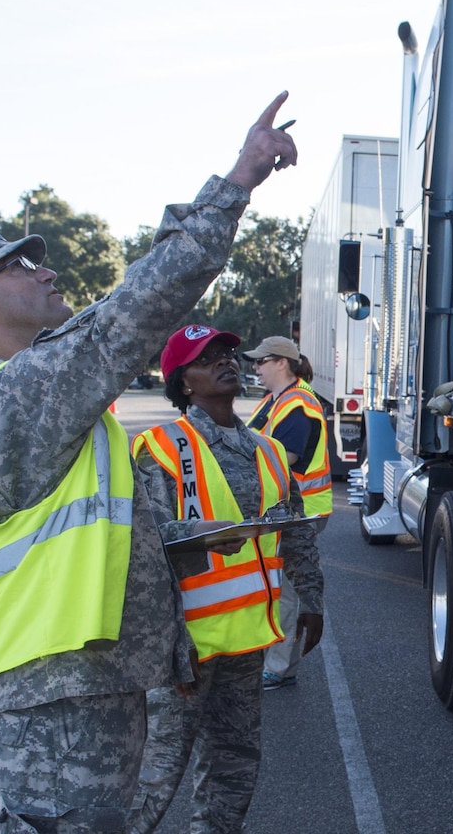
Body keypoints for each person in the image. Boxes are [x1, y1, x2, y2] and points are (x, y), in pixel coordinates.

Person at [0, 93, 297, 833]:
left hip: (65, 694)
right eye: (18, 266)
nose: (44, 272)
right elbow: (132, 312)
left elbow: (114, 542)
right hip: (50, 707)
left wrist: (171, 647)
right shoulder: (18, 393)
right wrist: (236, 184)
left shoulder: (29, 392)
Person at [128, 327, 324, 834]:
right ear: (183, 382)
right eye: (206, 358)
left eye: (228, 355)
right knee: (155, 778)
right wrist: (168, 642)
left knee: (234, 765)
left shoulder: (268, 450)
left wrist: (312, 599)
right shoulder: (161, 448)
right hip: (184, 646)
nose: (226, 362)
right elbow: (143, 549)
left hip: (245, 642)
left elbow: (294, 532)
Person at [245, 335, 331, 690]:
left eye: (261, 361)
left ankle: (279, 668)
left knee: (287, 592)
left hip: (300, 512)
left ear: (282, 362)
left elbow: (288, 456)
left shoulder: (297, 404)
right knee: (281, 589)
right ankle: (280, 664)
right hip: (284, 510)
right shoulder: (276, 400)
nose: (255, 367)